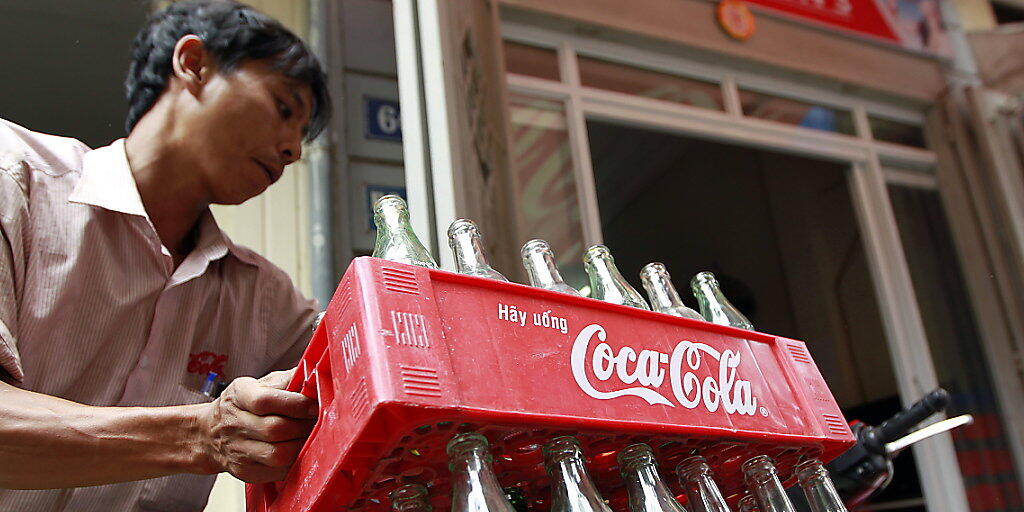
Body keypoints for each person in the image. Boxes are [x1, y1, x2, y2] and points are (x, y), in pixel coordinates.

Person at [0, 1, 332, 509]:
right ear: (193, 63)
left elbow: (363, 356)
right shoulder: (16, 180)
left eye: (301, 137)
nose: (293, 150)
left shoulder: (264, 299)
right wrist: (201, 435)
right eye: (283, 108)